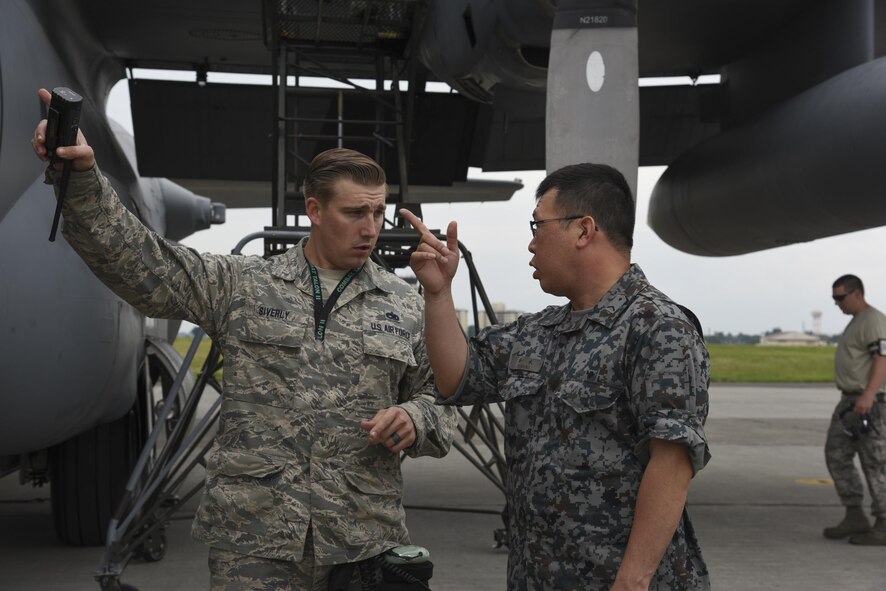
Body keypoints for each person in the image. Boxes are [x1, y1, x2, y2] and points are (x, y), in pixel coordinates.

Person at [31, 87, 455, 590]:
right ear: (315, 210)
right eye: (354, 213)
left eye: (378, 212)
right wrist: (80, 180)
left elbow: (445, 397)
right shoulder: (243, 285)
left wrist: (415, 416)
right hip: (255, 542)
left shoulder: (407, 302)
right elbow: (142, 263)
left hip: (362, 541)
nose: (371, 229)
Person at [400, 162, 711, 590]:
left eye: (537, 226)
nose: (530, 245)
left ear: (584, 230)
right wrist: (438, 293)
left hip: (614, 580)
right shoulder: (538, 331)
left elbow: (672, 462)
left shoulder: (658, 327)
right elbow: (458, 378)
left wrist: (631, 582)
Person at [823, 274, 886, 546]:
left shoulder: (873, 320)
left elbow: (882, 358)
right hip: (849, 401)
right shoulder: (855, 322)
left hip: (868, 401)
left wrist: (869, 395)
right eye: (834, 298)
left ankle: (884, 523)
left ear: (857, 293)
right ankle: (854, 515)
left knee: (876, 462)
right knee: (836, 453)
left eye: (841, 297)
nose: (837, 303)